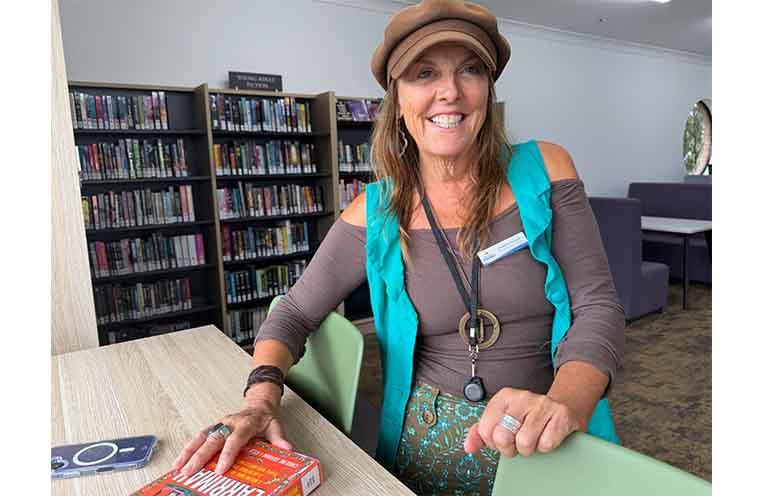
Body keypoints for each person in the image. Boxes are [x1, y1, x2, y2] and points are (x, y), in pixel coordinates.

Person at [172, 0, 625, 494]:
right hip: (429, 441)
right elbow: (293, 312)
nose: (449, 91)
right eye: (424, 72)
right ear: (398, 97)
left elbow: (596, 304)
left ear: (488, 89)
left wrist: (564, 403)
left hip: (546, 429)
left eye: (470, 69)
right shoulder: (375, 210)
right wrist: (260, 398)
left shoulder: (547, 168)